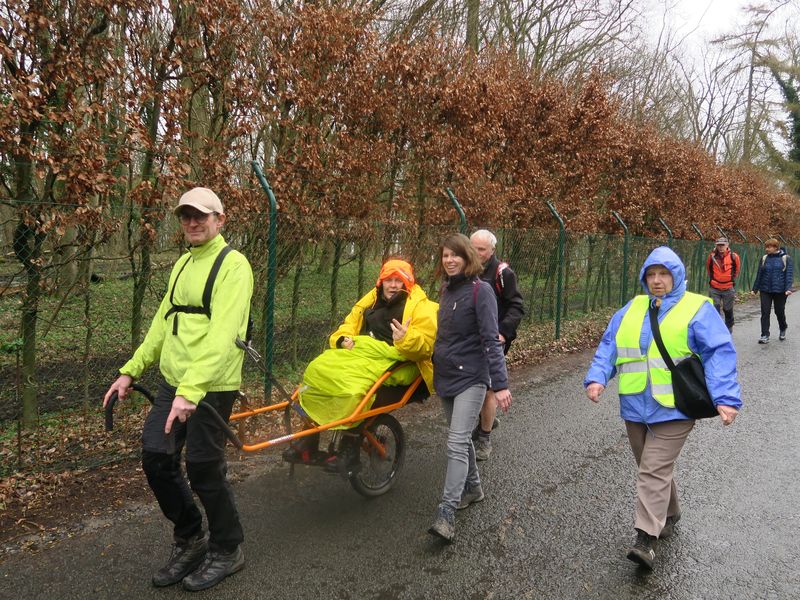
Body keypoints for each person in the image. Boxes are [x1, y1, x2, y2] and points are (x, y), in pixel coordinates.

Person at [103, 187, 253, 592]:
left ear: (220, 220)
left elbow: (222, 335)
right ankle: (191, 537)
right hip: (175, 383)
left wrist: (192, 391)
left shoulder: (233, 266)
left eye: (201, 215)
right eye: (186, 215)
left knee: (203, 467)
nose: (192, 222)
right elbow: (160, 324)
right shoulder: (183, 265)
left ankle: (229, 546)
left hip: (212, 385)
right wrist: (130, 371)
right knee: (156, 457)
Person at [584, 246, 740, 570]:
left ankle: (645, 539)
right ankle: (671, 511)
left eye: (664, 274)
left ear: (677, 275)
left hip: (677, 406)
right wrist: (597, 378)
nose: (657, 280)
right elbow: (610, 345)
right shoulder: (632, 308)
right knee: (649, 466)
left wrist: (725, 397)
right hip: (634, 404)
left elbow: (719, 353)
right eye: (651, 274)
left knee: (652, 469)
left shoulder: (698, 307)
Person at [283, 258, 437, 471]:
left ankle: (350, 450)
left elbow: (426, 346)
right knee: (316, 372)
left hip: (394, 357)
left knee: (354, 390)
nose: (393, 285)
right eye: (388, 280)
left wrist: (404, 338)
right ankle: (308, 439)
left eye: (398, 281)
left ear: (407, 283)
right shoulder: (371, 299)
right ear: (380, 282)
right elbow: (348, 324)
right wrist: (343, 339)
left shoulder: (420, 306)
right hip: (360, 352)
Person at [428, 234, 512, 543]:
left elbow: (491, 339)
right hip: (446, 377)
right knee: (461, 442)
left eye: (456, 255)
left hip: (472, 378)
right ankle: (473, 488)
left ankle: (446, 512)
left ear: (468, 259)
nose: (449, 260)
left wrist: (499, 384)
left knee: (455, 442)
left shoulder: (482, 291)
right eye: (445, 255)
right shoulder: (446, 292)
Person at [469, 229, 524, 461]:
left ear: (492, 250)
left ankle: (484, 439)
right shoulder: (463, 268)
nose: (476, 253)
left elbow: (517, 306)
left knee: (489, 389)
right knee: (475, 386)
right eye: (473, 248)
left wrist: (502, 332)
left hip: (492, 341)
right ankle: (487, 420)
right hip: (469, 341)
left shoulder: (503, 273)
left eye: (481, 249)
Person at [752, 238, 794, 343]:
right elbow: (759, 275)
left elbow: (789, 275)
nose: (767, 249)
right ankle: (764, 335)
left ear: (776, 247)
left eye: (769, 247)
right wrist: (755, 289)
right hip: (765, 289)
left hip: (780, 290)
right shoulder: (764, 258)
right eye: (766, 247)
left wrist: (788, 288)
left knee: (779, 311)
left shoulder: (786, 258)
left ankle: (783, 327)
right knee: (765, 312)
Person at [706, 237, 740, 332]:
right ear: (716, 246)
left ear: (727, 245)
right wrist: (715, 280)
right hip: (714, 287)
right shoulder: (711, 257)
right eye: (718, 245)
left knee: (727, 309)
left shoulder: (734, 257)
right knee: (715, 309)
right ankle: (716, 329)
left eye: (722, 245)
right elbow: (709, 269)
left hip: (728, 287)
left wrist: (729, 280)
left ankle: (729, 327)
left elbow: (737, 270)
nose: (720, 247)